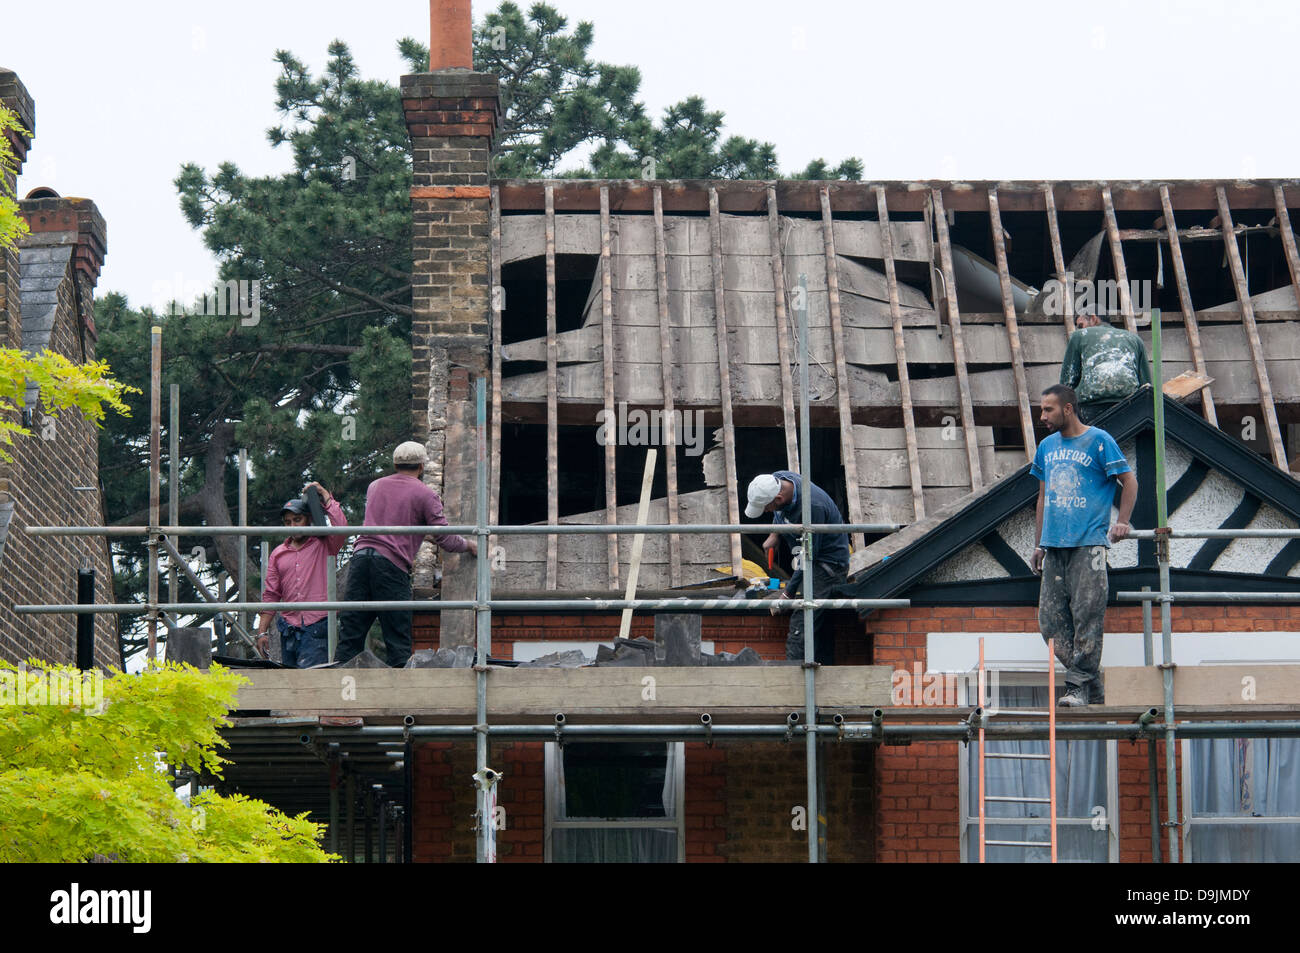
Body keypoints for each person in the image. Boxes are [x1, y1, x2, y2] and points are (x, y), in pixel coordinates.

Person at [1030, 384, 1137, 707]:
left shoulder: (1099, 441)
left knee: (1087, 617)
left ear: (1067, 409)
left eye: (1048, 409)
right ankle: (1090, 682)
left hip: (1088, 544)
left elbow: (1129, 481)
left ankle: (1077, 686)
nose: (1042, 416)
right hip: (1054, 545)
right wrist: (1038, 545)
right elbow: (1043, 496)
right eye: (1041, 410)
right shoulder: (1047, 447)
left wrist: (1123, 521)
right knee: (1049, 624)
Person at [337, 441, 477, 667]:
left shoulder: (375, 486)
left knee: (350, 635)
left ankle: (338, 692)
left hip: (361, 560)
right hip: (390, 567)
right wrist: (469, 545)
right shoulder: (425, 494)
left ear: (394, 464)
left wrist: (420, 535)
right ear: (422, 466)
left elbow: (390, 521)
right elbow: (446, 539)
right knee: (397, 638)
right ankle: (399, 698)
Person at [746, 471, 850, 665]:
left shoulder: (812, 507)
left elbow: (809, 556)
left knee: (802, 620)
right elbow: (778, 513)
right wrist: (775, 534)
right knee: (820, 623)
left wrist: (788, 593)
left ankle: (795, 681)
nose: (767, 511)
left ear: (779, 497)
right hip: (809, 556)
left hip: (827, 566)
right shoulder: (779, 478)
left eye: (766, 507)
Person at [256, 482, 347, 668]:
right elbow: (271, 594)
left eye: (297, 520)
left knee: (310, 680)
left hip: (317, 625)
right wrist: (261, 631)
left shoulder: (324, 544)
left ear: (308, 519)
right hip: (289, 628)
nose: (292, 526)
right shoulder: (278, 553)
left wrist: (325, 496)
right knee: (292, 681)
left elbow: (341, 527)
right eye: (288, 522)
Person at [1059, 309, 1151, 423]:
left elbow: (1068, 380)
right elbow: (1146, 383)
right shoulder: (1135, 339)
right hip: (1129, 403)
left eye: (1081, 325)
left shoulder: (1080, 335)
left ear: (1093, 318)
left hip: (1092, 404)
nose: (1080, 329)